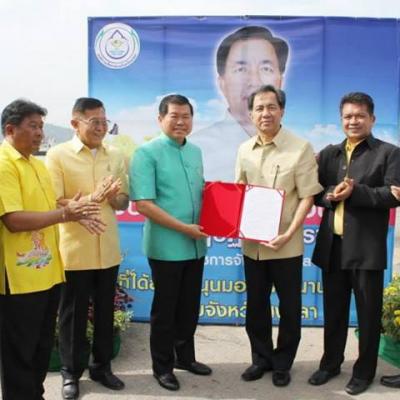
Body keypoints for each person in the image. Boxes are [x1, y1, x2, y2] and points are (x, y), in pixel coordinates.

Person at [0, 99, 99, 400]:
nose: (40, 133)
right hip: (19, 280)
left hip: (48, 273)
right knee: (19, 354)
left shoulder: (36, 165)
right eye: (33, 126)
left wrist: (73, 209)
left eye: (41, 127)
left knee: (41, 348)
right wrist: (65, 214)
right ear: (10, 129)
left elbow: (49, 207)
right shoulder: (4, 165)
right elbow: (13, 220)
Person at [308, 92, 400, 395]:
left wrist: (355, 192)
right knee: (333, 312)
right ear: (341, 120)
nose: (353, 121)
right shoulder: (330, 154)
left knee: (368, 315)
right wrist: (331, 195)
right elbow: (315, 192)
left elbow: (393, 195)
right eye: (348, 116)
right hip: (332, 246)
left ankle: (364, 372)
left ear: (372, 119)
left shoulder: (389, 153)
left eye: (360, 115)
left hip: (366, 248)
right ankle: (330, 364)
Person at [235, 85, 322, 386]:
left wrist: (288, 233)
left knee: (289, 308)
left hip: (287, 245)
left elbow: (308, 196)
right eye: (259, 108)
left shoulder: (300, 148)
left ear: (282, 111)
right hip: (253, 246)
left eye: (271, 107)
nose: (265, 113)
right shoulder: (244, 150)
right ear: (251, 114)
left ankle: (283, 362)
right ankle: (260, 359)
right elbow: (238, 195)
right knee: (256, 305)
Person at [46, 97, 129, 400]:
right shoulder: (57, 155)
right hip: (75, 249)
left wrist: (113, 196)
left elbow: (123, 202)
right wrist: (90, 199)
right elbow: (54, 199)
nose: (101, 128)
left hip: (107, 246)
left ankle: (102, 367)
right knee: (73, 315)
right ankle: (71, 373)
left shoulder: (115, 155)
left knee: (106, 311)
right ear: (75, 123)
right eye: (95, 122)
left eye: (105, 122)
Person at [130, 94, 212, 391]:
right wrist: (183, 229)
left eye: (186, 116)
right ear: (160, 119)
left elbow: (202, 193)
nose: (181, 122)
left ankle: (185, 358)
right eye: (174, 116)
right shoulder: (146, 153)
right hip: (166, 247)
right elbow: (143, 203)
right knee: (165, 310)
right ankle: (162, 367)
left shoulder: (195, 151)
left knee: (189, 307)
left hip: (196, 245)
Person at [191, 25, 289, 181]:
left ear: (280, 82)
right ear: (222, 83)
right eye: (241, 69)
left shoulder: (297, 149)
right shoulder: (195, 149)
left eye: (266, 69)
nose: (255, 81)